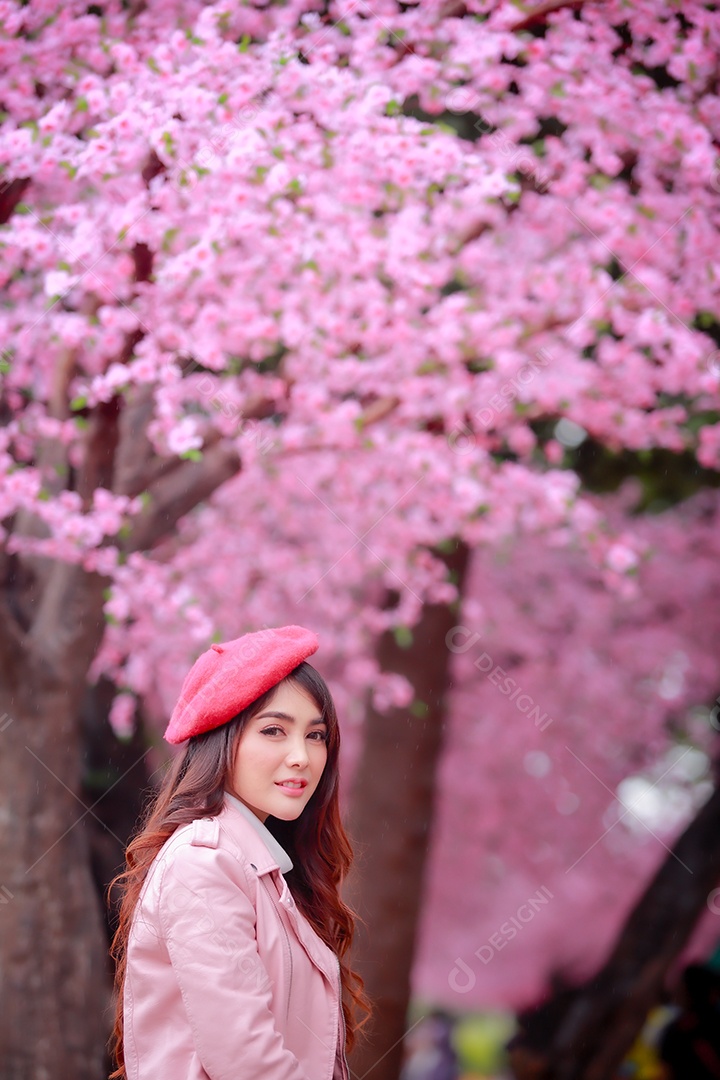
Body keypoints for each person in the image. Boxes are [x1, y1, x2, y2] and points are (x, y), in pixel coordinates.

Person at [108, 624, 371, 1079]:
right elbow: (247, 1061)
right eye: (274, 731)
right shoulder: (203, 863)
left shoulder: (265, 868)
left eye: (315, 735)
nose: (301, 757)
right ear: (222, 741)